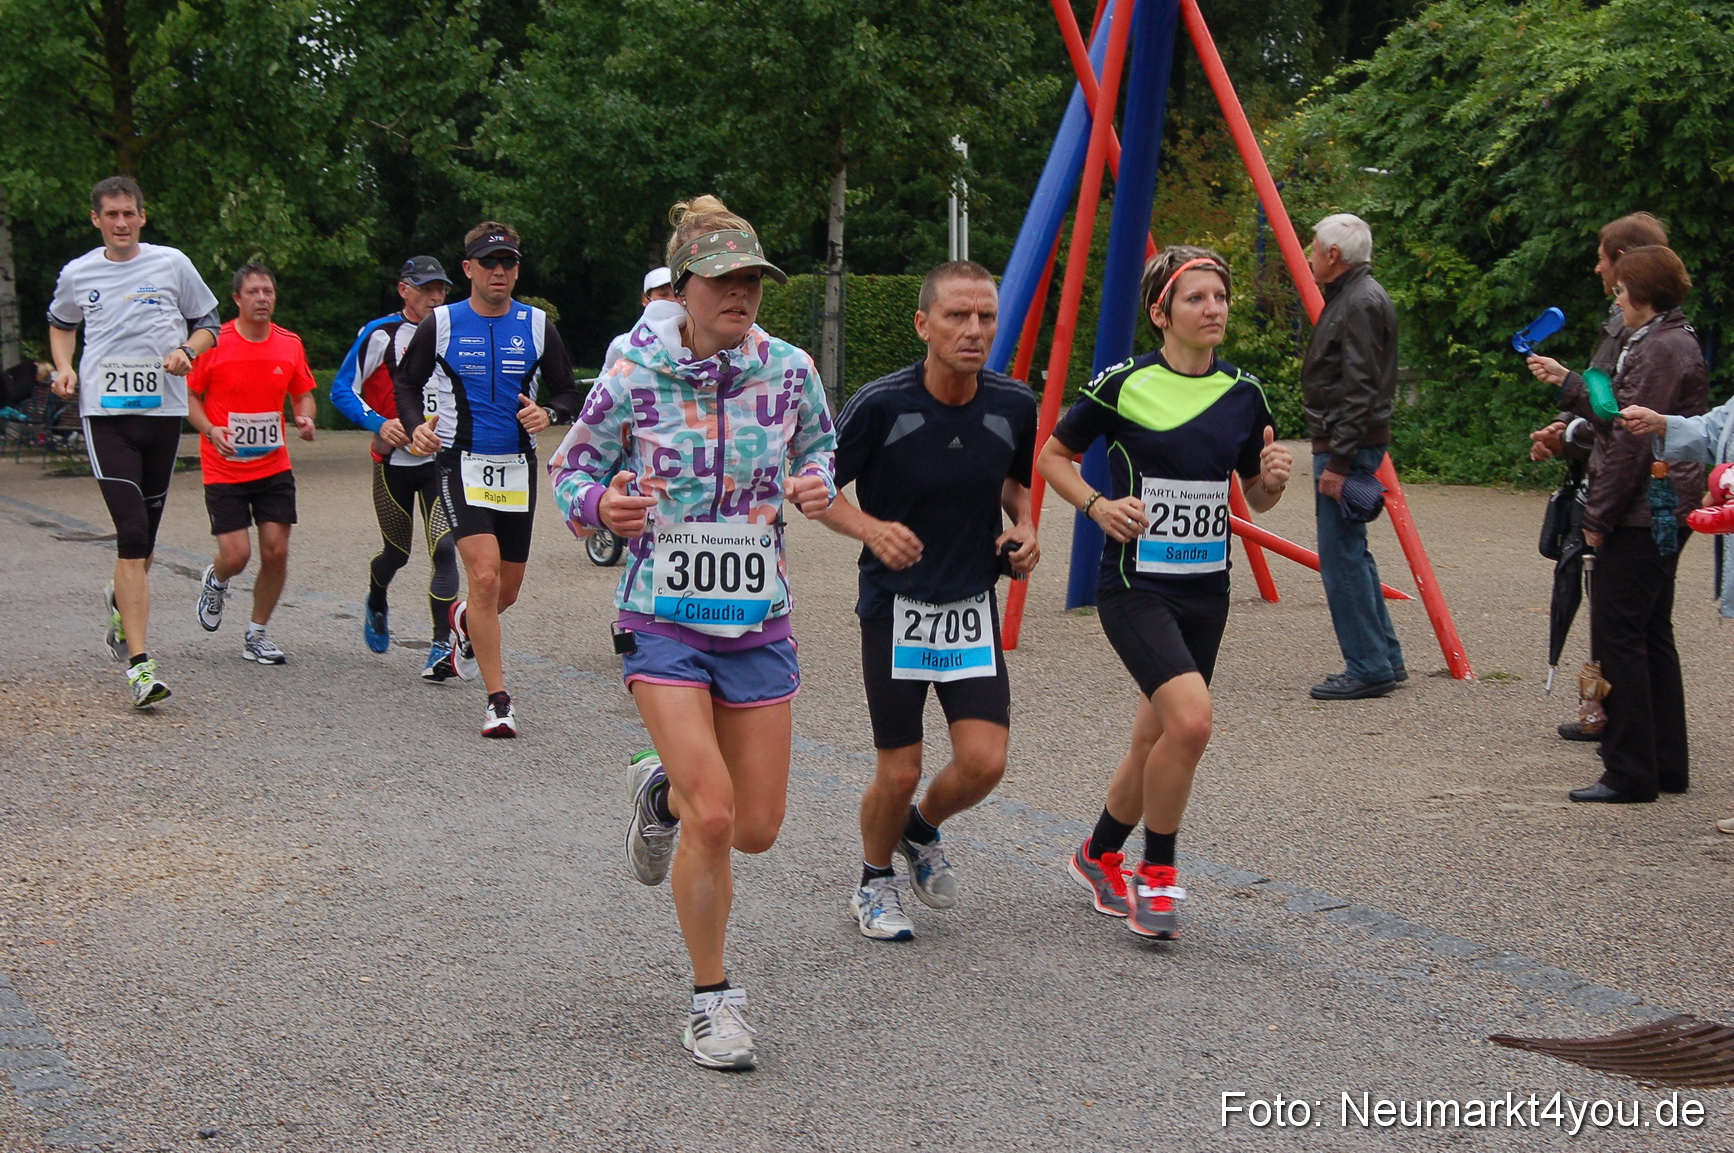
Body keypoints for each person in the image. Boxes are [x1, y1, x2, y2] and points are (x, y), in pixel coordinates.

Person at [548, 196, 835, 1070]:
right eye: (724, 279)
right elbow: (573, 469)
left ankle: (656, 793)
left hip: (756, 617)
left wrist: (815, 481)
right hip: (660, 616)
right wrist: (606, 507)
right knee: (714, 814)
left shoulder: (787, 368)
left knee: (755, 826)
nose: (741, 294)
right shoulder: (633, 368)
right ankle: (713, 1000)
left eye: (753, 279)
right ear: (684, 286)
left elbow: (820, 445)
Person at [1035, 246, 1291, 940]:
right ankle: (1158, 873)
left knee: (1155, 733)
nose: (1214, 309)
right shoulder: (1122, 383)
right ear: (1162, 312)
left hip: (1207, 588)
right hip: (1134, 584)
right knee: (1192, 722)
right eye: (1197, 298)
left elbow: (1258, 501)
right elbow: (1051, 456)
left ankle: (1097, 853)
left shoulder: (1246, 393)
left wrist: (1270, 478)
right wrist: (1096, 506)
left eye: (1221, 298)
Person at [819, 260, 1038, 942]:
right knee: (901, 765)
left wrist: (1026, 529)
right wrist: (870, 529)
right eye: (957, 316)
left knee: (984, 761)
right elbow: (814, 485)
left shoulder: (1014, 403)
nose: (974, 330)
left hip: (970, 602)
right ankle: (872, 881)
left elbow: (1015, 482)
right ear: (924, 324)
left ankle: (918, 829)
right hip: (896, 605)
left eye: (986, 317)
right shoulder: (883, 404)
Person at [395, 223, 581, 737]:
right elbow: (406, 384)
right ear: (469, 269)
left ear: (517, 269)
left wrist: (549, 412)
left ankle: (464, 623)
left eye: (509, 263)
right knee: (483, 575)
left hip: (517, 468)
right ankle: (499, 702)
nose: (500, 271)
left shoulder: (539, 325)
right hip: (460, 462)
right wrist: (416, 429)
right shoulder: (443, 323)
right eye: (489, 262)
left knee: (507, 590)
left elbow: (569, 392)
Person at [47, 176, 221, 708]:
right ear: (96, 219)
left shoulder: (171, 263)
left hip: (163, 411)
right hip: (106, 413)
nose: (121, 223)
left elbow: (209, 321)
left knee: (143, 538)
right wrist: (63, 367)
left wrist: (188, 351)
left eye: (130, 214)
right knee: (131, 530)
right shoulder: (79, 273)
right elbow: (60, 322)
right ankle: (141, 668)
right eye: (111, 215)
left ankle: (118, 598)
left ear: (143, 217)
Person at [1559, 245, 1704, 803]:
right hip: (1659, 503)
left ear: (1642, 294)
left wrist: (1597, 516)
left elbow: (1628, 443)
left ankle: (1629, 770)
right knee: (1649, 633)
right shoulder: (1665, 340)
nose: (1615, 296)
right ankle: (1664, 763)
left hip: (1647, 509)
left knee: (1620, 635)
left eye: (1621, 290)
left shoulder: (1661, 348)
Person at [1524, 212, 1670, 741]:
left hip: (1631, 496)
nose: (1596, 268)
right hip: (1611, 481)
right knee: (1621, 618)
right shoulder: (1622, 326)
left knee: (1626, 624)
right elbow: (1600, 392)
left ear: (1626, 264)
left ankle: (1629, 740)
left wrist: (1570, 415)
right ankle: (1614, 720)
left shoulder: (1652, 338)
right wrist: (1562, 426)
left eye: (1604, 258)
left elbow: (1622, 418)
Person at [330, 255, 462, 679]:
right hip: (393, 463)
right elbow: (340, 390)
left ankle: (441, 643)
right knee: (397, 553)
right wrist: (379, 423)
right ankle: (376, 596)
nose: (435, 296)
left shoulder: (456, 330)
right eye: (426, 289)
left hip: (440, 462)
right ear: (404, 289)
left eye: (441, 289)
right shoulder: (380, 333)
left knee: (444, 548)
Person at [185, 264, 318, 663]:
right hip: (224, 466)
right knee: (237, 556)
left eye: (269, 291)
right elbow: (190, 399)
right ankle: (217, 578)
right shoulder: (213, 343)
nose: (263, 298)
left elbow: (304, 393)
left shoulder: (289, 343)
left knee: (276, 552)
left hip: (273, 465)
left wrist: (306, 417)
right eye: (254, 291)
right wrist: (210, 430)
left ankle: (257, 633)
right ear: (237, 299)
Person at [1300, 213, 1406, 700]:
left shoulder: (1357, 302)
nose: (1309, 254)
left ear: (1333, 256)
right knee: (1352, 551)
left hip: (1348, 442)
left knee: (1340, 557)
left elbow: (1359, 387)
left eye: (1314, 248)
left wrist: (1338, 464)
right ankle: (1383, 654)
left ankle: (1367, 664)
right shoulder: (1360, 296)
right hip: (1353, 439)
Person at [601, 267, 679, 369]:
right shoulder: (621, 346)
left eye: (677, 293)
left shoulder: (699, 344)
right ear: (646, 300)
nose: (673, 300)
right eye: (663, 295)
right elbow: (603, 381)